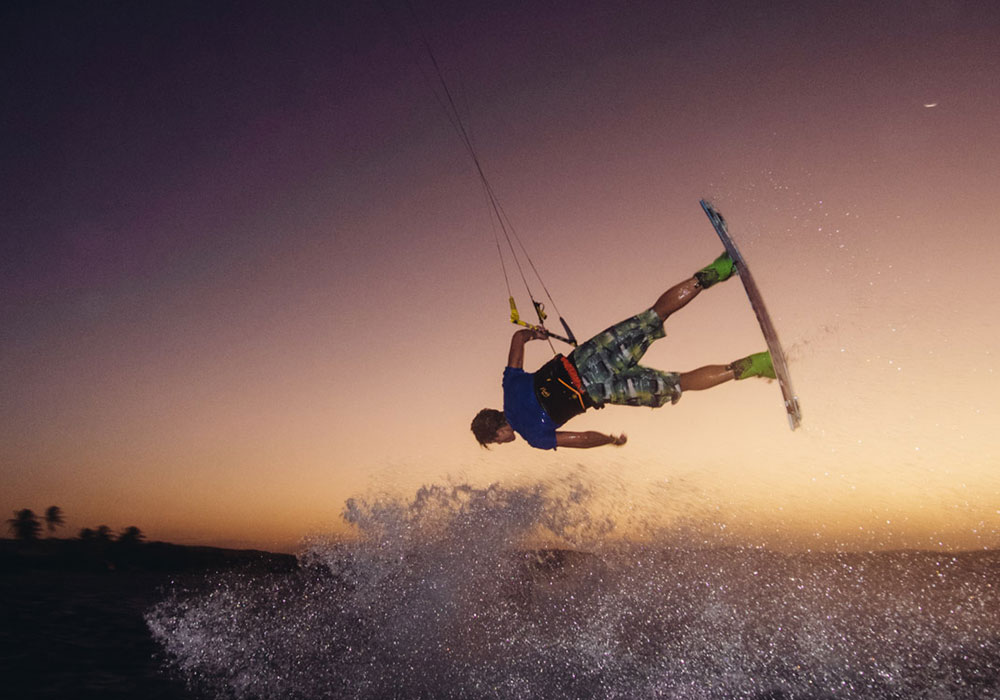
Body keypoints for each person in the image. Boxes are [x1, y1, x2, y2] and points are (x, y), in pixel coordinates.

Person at [471, 252, 775, 449]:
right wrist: (533, 334)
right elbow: (516, 338)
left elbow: (583, 439)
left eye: (496, 441)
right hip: (589, 356)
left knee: (677, 384)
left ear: (497, 432)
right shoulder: (509, 386)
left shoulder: (534, 437)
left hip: (605, 390)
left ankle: (752, 365)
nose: (503, 443)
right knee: (654, 315)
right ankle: (714, 272)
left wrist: (609, 441)